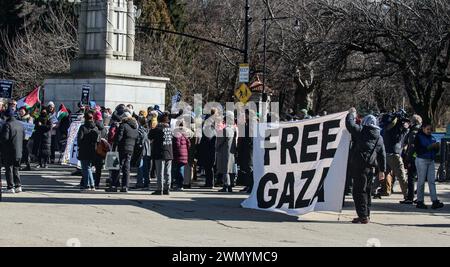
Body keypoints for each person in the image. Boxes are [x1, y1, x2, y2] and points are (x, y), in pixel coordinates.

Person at [346, 108, 386, 224]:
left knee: (358, 191)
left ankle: (362, 216)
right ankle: (366, 214)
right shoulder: (379, 137)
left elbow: (350, 125)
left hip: (359, 166)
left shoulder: (363, 131)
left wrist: (351, 114)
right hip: (371, 167)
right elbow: (382, 155)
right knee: (367, 191)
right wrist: (382, 170)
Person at [415, 122, 444, 210]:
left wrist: (436, 148)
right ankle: (420, 201)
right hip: (421, 160)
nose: (429, 131)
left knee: (432, 181)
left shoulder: (432, 137)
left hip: (431, 160)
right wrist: (430, 147)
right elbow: (419, 150)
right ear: (423, 129)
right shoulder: (419, 137)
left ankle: (434, 201)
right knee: (421, 181)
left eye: (431, 129)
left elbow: (435, 151)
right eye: (427, 129)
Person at [106, 112, 138, 193]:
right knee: (126, 168)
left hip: (122, 148)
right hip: (131, 149)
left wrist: (115, 144)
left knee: (117, 166)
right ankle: (125, 186)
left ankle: (114, 185)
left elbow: (119, 137)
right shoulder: (134, 127)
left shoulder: (123, 125)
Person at [381, 111, 409, 201]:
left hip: (386, 153)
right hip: (394, 154)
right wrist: (405, 128)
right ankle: (407, 194)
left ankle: (372, 190)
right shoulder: (397, 129)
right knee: (401, 175)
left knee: (383, 173)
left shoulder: (386, 128)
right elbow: (400, 138)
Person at [1, 108, 25, 194]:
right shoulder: (20, 125)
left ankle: (10, 187)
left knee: (9, 169)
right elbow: (23, 137)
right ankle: (18, 186)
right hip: (19, 150)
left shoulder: (7, 125)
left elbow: (5, 138)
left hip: (9, 151)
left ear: (6, 116)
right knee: (16, 169)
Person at [149, 112, 173, 195]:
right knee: (168, 172)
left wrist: (153, 127)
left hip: (159, 153)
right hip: (169, 152)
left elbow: (150, 136)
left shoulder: (157, 129)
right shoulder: (170, 129)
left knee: (160, 172)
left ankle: (160, 189)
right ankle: (167, 188)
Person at [401, 115, 423, 204]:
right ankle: (419, 197)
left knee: (411, 177)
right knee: (420, 178)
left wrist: (409, 158)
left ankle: (410, 197)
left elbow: (412, 147)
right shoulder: (421, 130)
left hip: (414, 158)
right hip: (422, 157)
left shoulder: (413, 131)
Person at [77, 111, 100, 192]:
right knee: (89, 168)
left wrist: (81, 145)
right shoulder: (95, 127)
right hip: (93, 150)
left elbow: (79, 139)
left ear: (85, 118)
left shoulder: (83, 127)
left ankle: (87, 185)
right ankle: (92, 185)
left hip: (84, 150)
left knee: (85, 168)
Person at [216, 111, 237, 193]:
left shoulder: (225, 130)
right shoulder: (233, 129)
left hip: (225, 151)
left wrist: (217, 148)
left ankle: (226, 185)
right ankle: (231, 185)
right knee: (231, 169)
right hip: (232, 151)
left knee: (225, 169)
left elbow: (220, 141)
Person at [197, 108, 218, 188]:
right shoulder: (214, 123)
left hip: (208, 148)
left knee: (208, 166)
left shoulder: (208, 124)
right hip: (211, 148)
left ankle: (209, 183)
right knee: (210, 166)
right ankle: (210, 182)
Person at [237, 109, 254, 193]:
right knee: (246, 168)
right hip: (246, 149)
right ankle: (248, 185)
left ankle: (251, 185)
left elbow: (250, 138)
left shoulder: (251, 124)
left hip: (249, 149)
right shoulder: (247, 124)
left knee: (249, 167)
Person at [172, 122, 191, 191]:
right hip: (184, 154)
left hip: (179, 154)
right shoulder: (185, 134)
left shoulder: (177, 134)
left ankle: (179, 185)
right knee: (181, 169)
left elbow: (176, 145)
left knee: (178, 170)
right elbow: (189, 144)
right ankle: (180, 184)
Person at [134, 116, 151, 189]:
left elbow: (140, 140)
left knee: (140, 167)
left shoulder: (140, 130)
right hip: (147, 149)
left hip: (141, 150)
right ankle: (146, 182)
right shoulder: (148, 129)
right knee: (145, 167)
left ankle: (140, 183)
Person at [93, 110, 108, 188]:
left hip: (94, 150)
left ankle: (91, 182)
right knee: (99, 169)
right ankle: (97, 184)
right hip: (101, 151)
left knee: (91, 167)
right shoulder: (104, 129)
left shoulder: (94, 127)